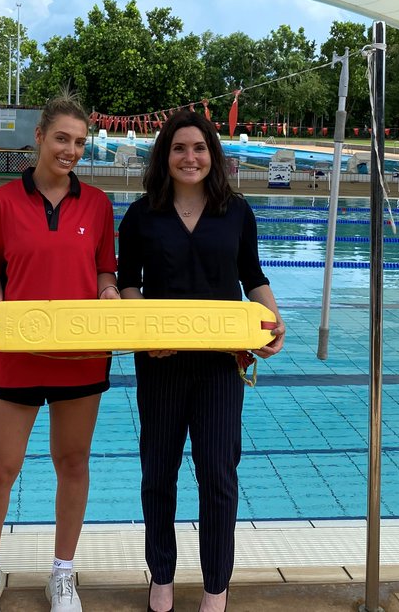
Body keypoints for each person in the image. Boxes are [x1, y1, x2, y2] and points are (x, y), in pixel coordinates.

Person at [117, 110, 285, 612]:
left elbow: (251, 275)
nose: (189, 157)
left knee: (217, 473)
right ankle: (161, 578)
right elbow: (129, 284)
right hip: (161, 361)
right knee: (157, 473)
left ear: (213, 155)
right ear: (164, 156)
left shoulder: (236, 212)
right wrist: (145, 332)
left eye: (199, 148)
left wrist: (272, 321)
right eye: (178, 148)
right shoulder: (141, 215)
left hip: (218, 365)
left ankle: (216, 587)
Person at [0, 92, 119, 612]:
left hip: (81, 354)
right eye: (62, 138)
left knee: (73, 463)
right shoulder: (4, 201)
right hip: (15, 356)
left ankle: (63, 572)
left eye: (79, 141)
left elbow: (104, 270)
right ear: (39, 137)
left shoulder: (97, 204)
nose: (71, 150)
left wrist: (108, 293)